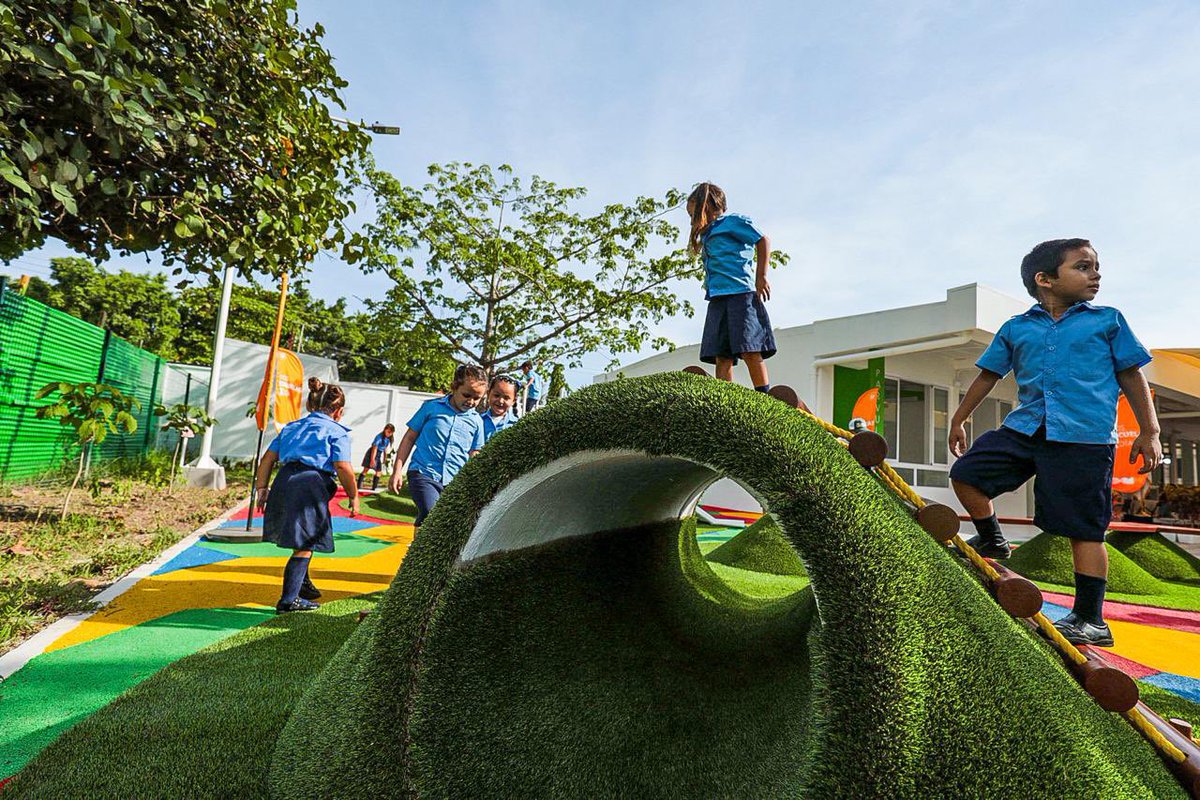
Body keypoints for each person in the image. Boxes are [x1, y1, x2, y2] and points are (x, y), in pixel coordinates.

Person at [948, 239, 1161, 647]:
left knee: (1084, 529)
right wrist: (960, 417)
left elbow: (1132, 375)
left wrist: (1150, 432)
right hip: (1028, 428)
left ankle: (1090, 619)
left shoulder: (1107, 321)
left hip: (1083, 438)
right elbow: (989, 375)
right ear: (1044, 280)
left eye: (1096, 267)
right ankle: (992, 536)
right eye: (1083, 267)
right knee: (967, 474)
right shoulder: (1017, 327)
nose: (1095, 274)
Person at [256, 377, 359, 614]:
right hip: (309, 484)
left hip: (284, 481)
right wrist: (353, 495)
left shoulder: (291, 427)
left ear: (310, 406)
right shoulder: (337, 431)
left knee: (301, 536)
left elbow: (267, 460)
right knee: (305, 541)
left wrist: (262, 489)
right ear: (339, 411)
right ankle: (289, 600)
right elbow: (342, 466)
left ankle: (303, 583)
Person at [686, 182, 776, 391]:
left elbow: (763, 240)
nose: (692, 221)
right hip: (717, 298)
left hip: (740, 295)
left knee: (750, 349)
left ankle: (764, 394)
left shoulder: (733, 222)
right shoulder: (708, 233)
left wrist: (761, 276)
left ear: (706, 206)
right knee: (721, 354)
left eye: (693, 214)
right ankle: (725, 396)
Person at [389, 364, 487, 528]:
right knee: (431, 512)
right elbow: (409, 438)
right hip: (423, 473)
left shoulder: (477, 421)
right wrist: (397, 471)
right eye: (466, 395)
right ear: (454, 387)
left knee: (443, 522)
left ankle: (419, 551)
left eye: (477, 398)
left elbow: (474, 452)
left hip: (454, 480)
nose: (471, 401)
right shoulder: (431, 408)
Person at [481, 374, 520, 443]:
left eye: (506, 398)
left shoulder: (517, 426)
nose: (500, 401)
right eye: (496, 395)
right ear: (488, 394)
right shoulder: (479, 421)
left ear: (513, 401)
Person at [357, 423, 395, 491]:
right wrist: (372, 460)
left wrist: (384, 458)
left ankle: (373, 489)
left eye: (391, 433)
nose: (389, 434)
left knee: (378, 472)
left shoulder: (388, 439)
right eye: (388, 432)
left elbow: (385, 449)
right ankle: (357, 486)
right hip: (372, 453)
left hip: (378, 454)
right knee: (366, 469)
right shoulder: (379, 437)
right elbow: (374, 449)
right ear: (385, 430)